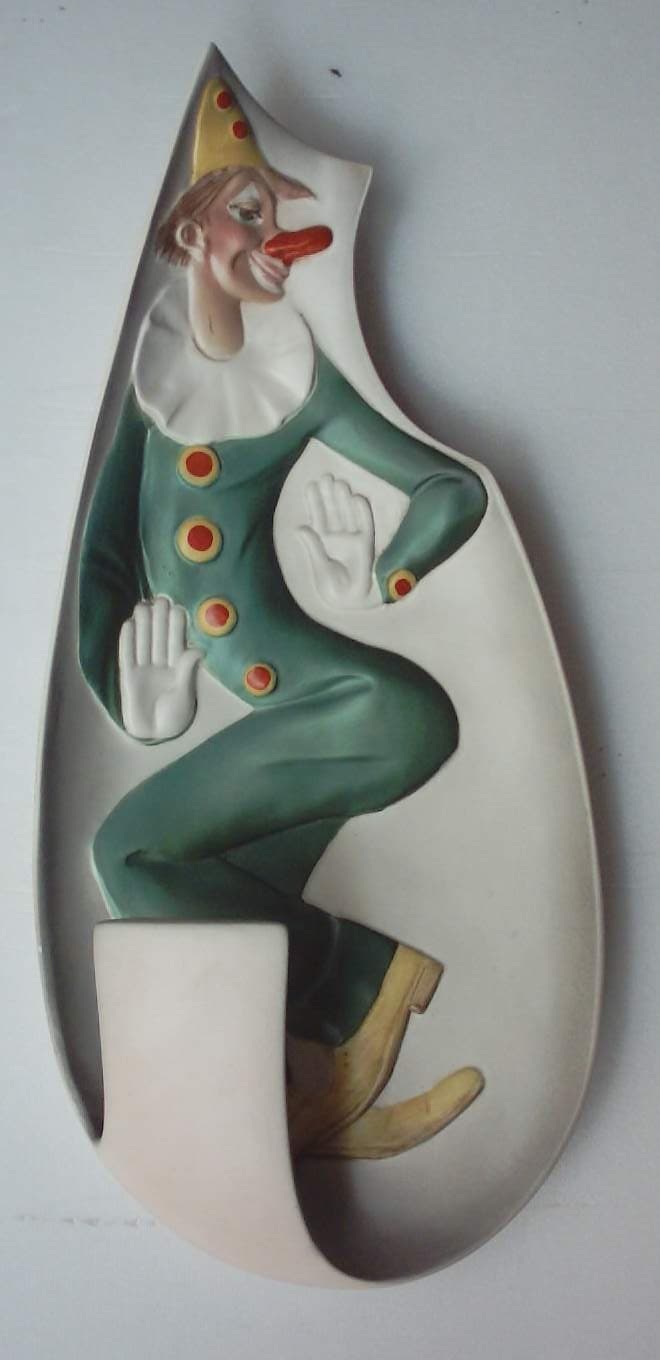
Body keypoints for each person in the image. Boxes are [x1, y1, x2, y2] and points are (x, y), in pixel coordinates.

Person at [79, 76, 487, 1158]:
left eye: (280, 218)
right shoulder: (151, 391)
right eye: (251, 212)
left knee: (127, 851)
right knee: (214, 887)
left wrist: (388, 576)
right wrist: (131, 698)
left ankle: (360, 976)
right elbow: (105, 557)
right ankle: (319, 1086)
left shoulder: (295, 383)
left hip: (365, 707)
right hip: (296, 725)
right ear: (192, 230)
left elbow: (452, 489)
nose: (278, 238)